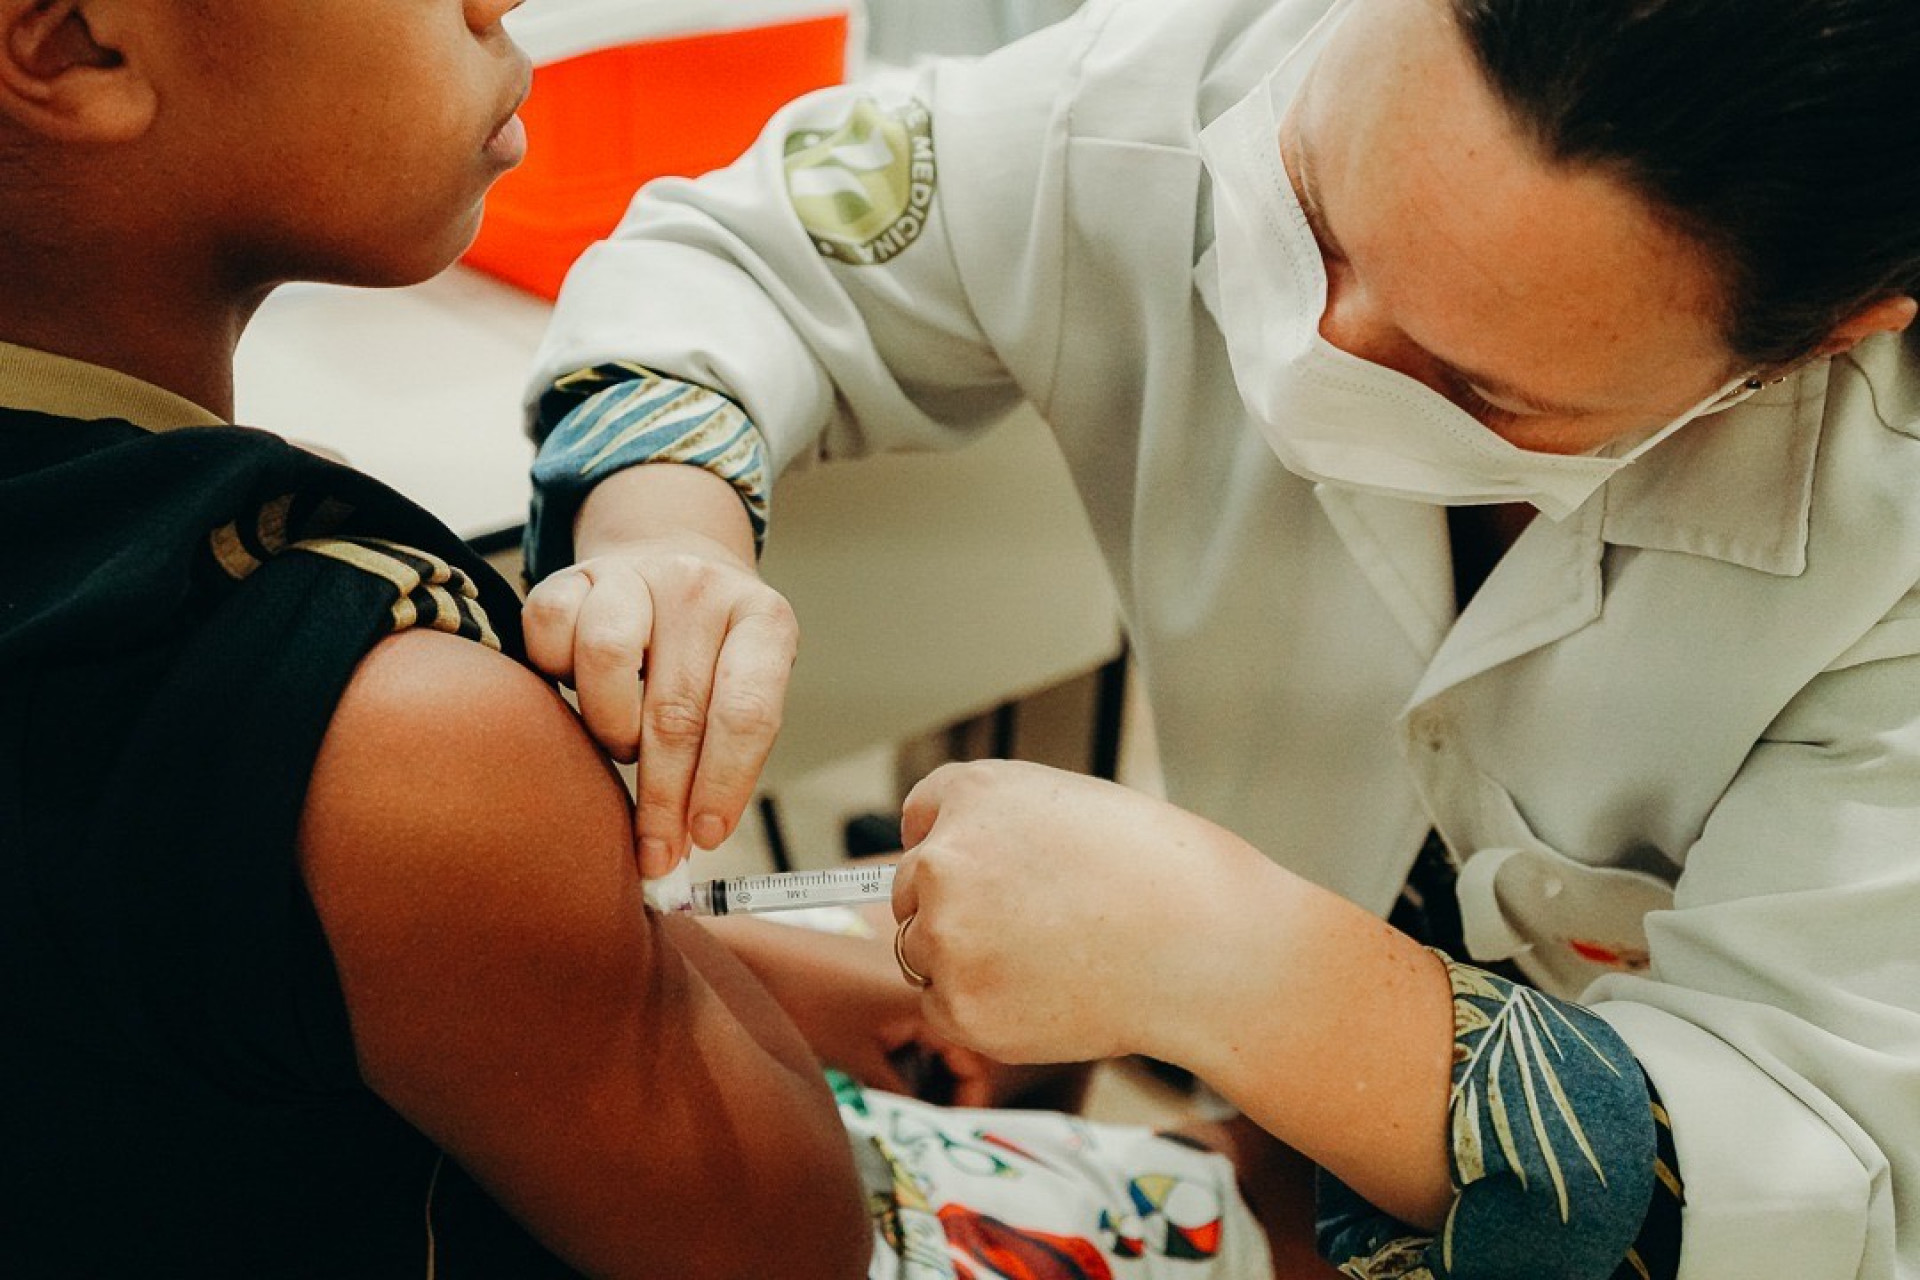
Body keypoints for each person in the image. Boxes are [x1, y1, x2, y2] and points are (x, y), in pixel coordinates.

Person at [515, 0, 1920, 1275]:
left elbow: (1802, 1190)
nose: (1313, 349)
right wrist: (666, 534)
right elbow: (753, 254)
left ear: (1822, 342)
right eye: (1314, 208)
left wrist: (1238, 979)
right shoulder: (1202, 70)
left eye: (1479, 389)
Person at [0, 0, 1308, 1275]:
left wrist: (672, 959)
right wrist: (618, 940)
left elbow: (369, 977)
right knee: (1302, 1216)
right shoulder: (400, 727)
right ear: (74, 44)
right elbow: (794, 1236)